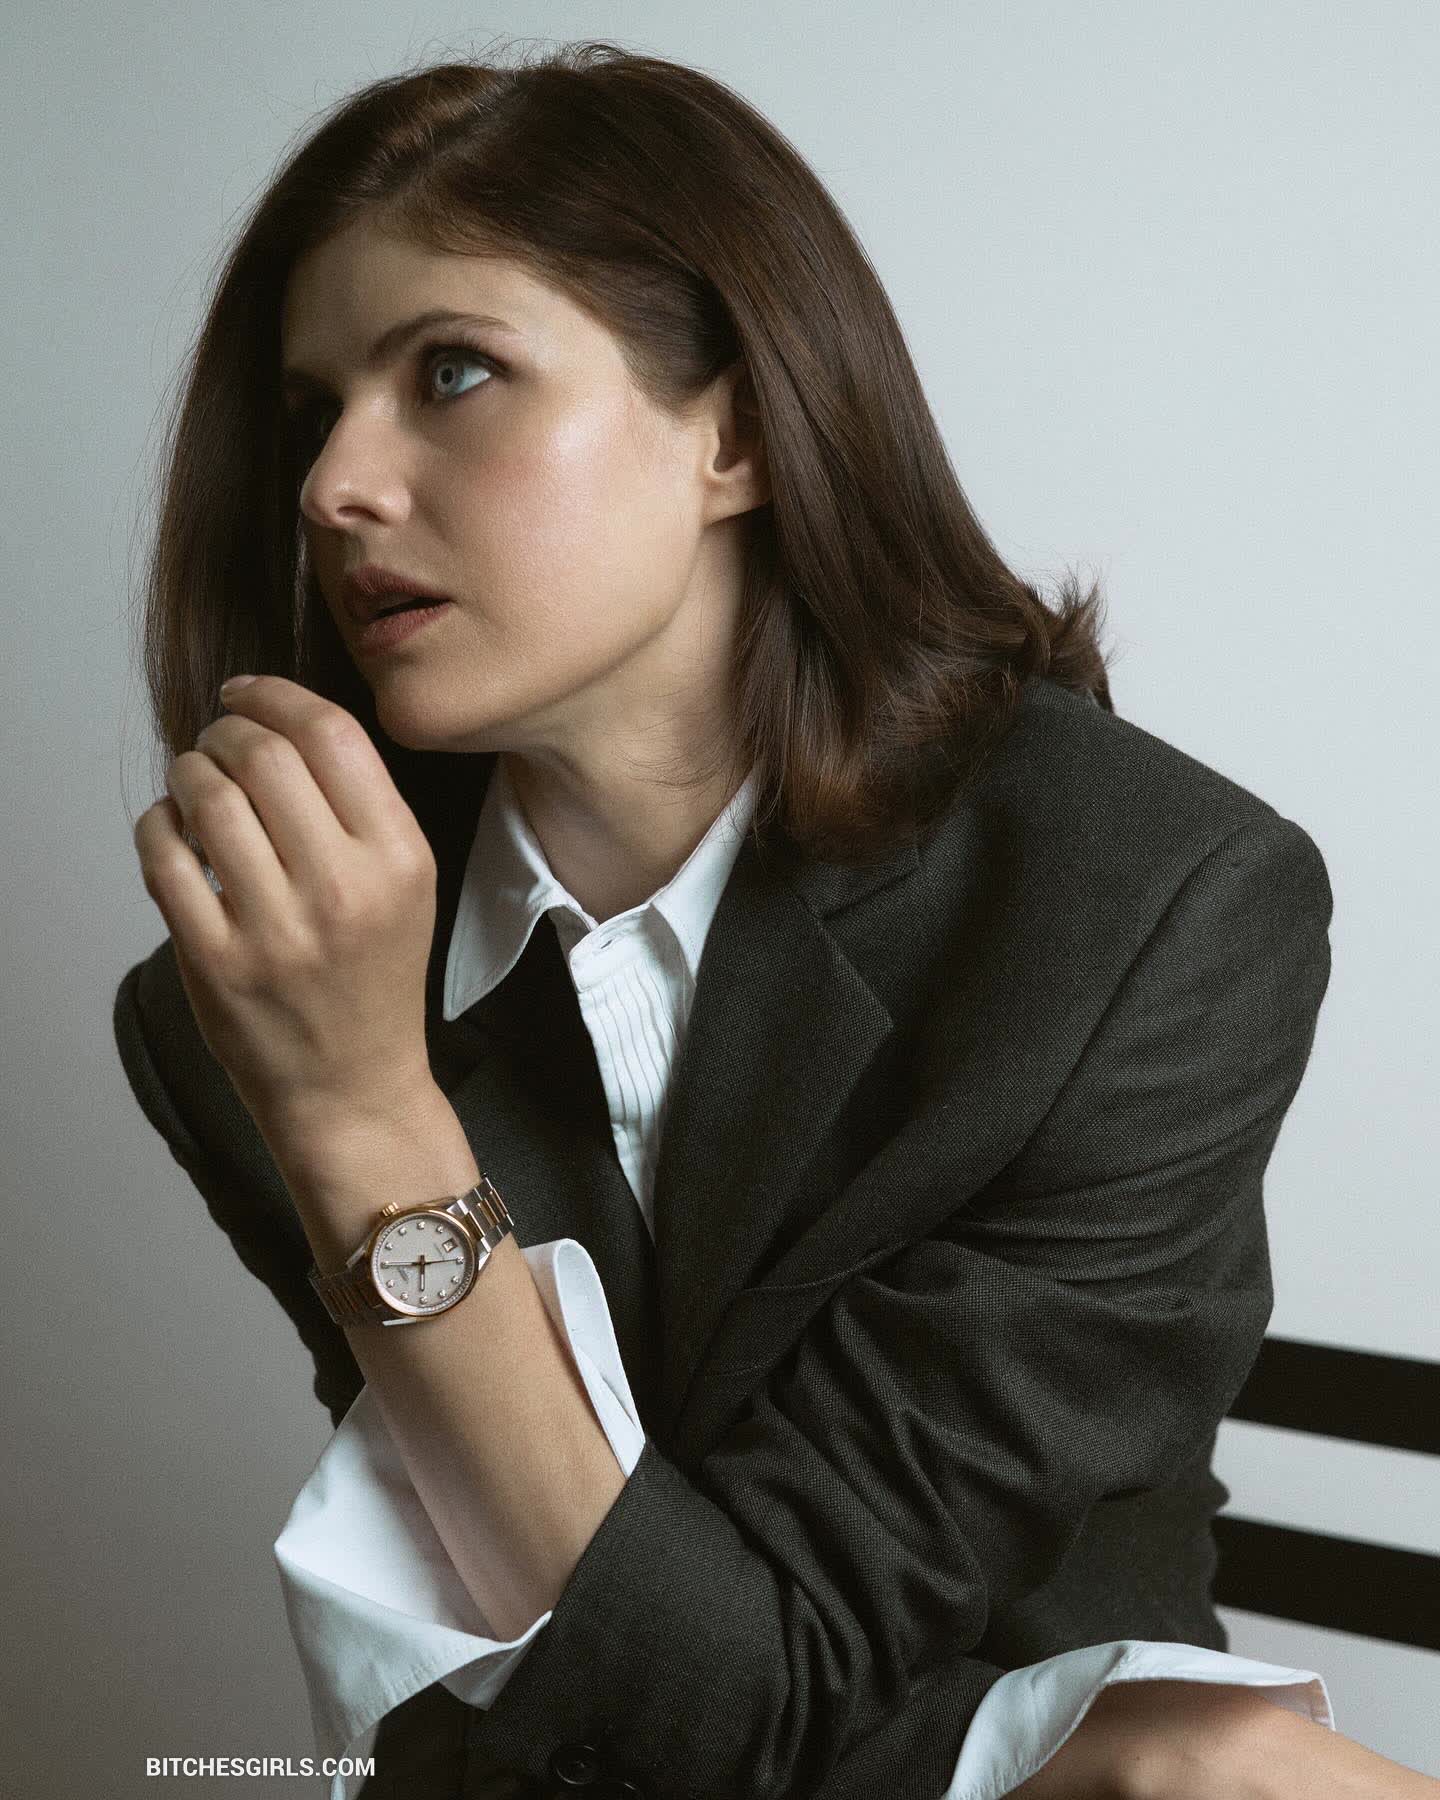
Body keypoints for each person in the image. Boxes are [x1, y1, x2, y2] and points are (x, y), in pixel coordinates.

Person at [112, 41, 1440, 1800]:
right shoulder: (266, 996)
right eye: (310, 416)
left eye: (452, 371)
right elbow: (599, 1687)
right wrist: (359, 1115)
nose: (334, 485)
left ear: (735, 431)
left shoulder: (1147, 912)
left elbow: (719, 1679)